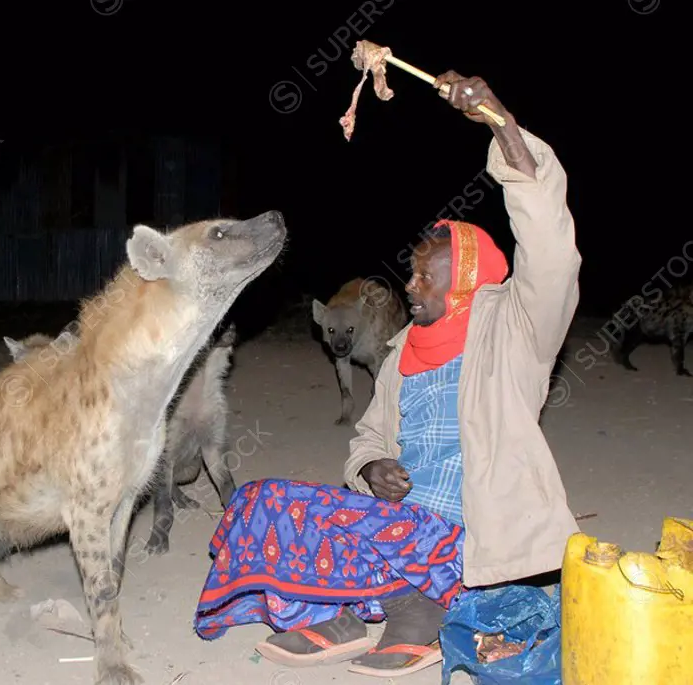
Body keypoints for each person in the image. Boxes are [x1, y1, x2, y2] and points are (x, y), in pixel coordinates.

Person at [192, 71, 582, 678]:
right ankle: (345, 614)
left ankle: (416, 616)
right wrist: (369, 469)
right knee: (262, 499)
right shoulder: (404, 351)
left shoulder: (516, 333)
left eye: (427, 276)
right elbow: (368, 440)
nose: (410, 285)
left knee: (406, 534)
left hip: (471, 539)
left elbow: (551, 245)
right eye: (413, 273)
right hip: (399, 525)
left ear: (466, 281)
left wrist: (499, 120)